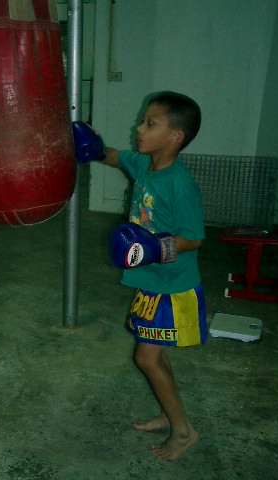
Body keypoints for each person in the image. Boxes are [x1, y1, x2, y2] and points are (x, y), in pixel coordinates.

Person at [72, 91, 206, 461]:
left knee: (147, 359)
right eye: (142, 121)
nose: (139, 128)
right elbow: (117, 157)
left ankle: (183, 431)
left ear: (175, 136)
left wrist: (153, 248)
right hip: (151, 282)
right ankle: (170, 414)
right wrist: (95, 149)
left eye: (150, 123)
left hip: (171, 285)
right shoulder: (145, 164)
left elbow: (194, 238)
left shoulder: (180, 183)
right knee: (154, 357)